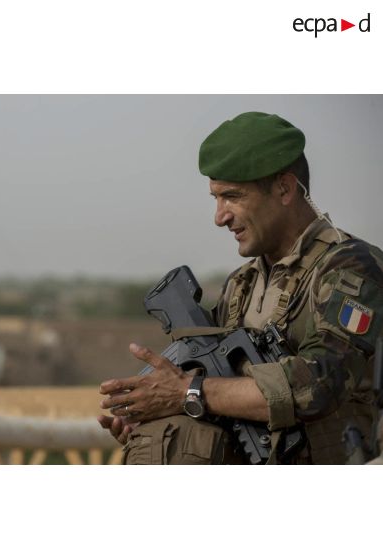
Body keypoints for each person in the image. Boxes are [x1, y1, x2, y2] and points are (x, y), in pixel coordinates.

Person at [97, 111, 383, 464]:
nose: (220, 216)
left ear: (284, 189)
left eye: (232, 196)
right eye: (216, 198)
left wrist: (185, 391)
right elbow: (219, 394)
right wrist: (153, 407)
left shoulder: (351, 269)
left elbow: (319, 384)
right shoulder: (242, 285)